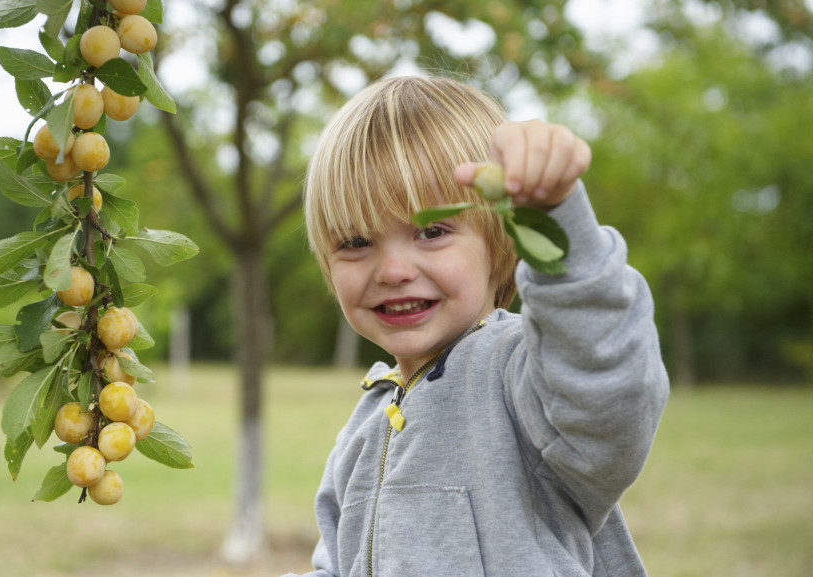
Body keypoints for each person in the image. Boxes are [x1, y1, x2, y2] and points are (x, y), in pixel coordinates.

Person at [287, 75, 669, 577]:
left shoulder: (522, 379)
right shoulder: (365, 425)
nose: (392, 270)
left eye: (432, 231)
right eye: (356, 241)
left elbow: (609, 393)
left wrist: (557, 218)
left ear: (499, 245)